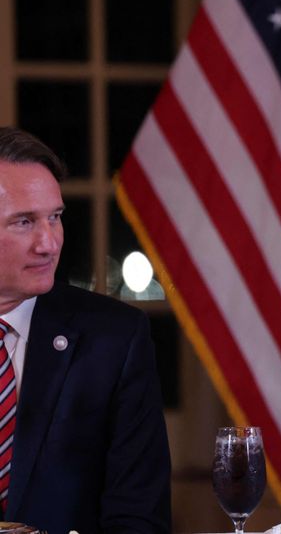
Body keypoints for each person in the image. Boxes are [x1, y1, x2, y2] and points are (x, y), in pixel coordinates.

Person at [0, 127, 171, 533]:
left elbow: (139, 518)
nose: (49, 243)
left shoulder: (115, 339)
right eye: (24, 222)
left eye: (54, 218)